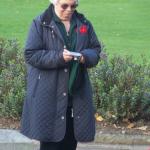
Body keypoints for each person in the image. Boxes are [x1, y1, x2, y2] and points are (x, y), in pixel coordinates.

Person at [20, 0, 101, 149]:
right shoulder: (40, 23)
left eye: (73, 6)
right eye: (65, 5)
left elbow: (95, 50)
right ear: (54, 3)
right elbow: (31, 54)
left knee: (71, 142)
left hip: (76, 96)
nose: (69, 9)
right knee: (50, 143)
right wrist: (59, 57)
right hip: (49, 95)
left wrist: (85, 56)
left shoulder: (84, 24)